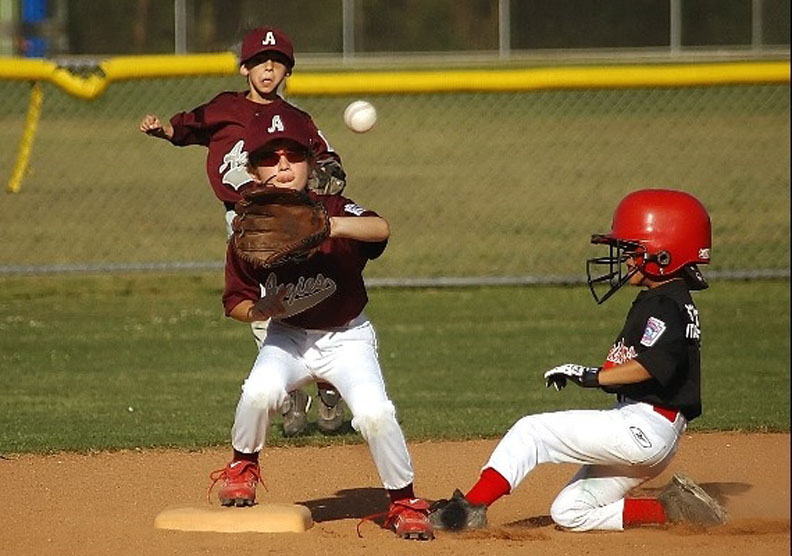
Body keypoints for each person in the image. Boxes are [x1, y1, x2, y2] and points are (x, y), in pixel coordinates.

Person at [429, 189, 727, 532]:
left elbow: (651, 365)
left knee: (532, 431)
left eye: (634, 250)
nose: (627, 259)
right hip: (649, 429)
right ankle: (675, 511)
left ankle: (467, 510)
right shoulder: (669, 300)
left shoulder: (665, 305)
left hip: (643, 428)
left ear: (664, 253)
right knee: (570, 512)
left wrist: (592, 376)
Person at [208, 109, 434, 541]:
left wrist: (329, 224)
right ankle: (242, 466)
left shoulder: (331, 208)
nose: (282, 167)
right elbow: (235, 300)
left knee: (375, 413)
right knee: (260, 391)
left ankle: (404, 501)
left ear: (310, 164)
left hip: (347, 338)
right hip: (288, 337)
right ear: (253, 170)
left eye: (292, 156)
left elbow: (380, 228)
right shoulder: (249, 227)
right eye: (270, 159)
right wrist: (261, 310)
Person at [139, 26, 346, 436]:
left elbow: (327, 157)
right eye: (259, 62)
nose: (268, 69)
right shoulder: (223, 109)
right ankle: (289, 400)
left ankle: (327, 386)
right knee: (262, 306)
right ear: (244, 69)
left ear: (288, 71)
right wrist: (162, 130)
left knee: (309, 297)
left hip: (291, 218)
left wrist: (330, 173)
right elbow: (188, 129)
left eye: (277, 63)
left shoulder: (295, 119)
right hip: (242, 218)